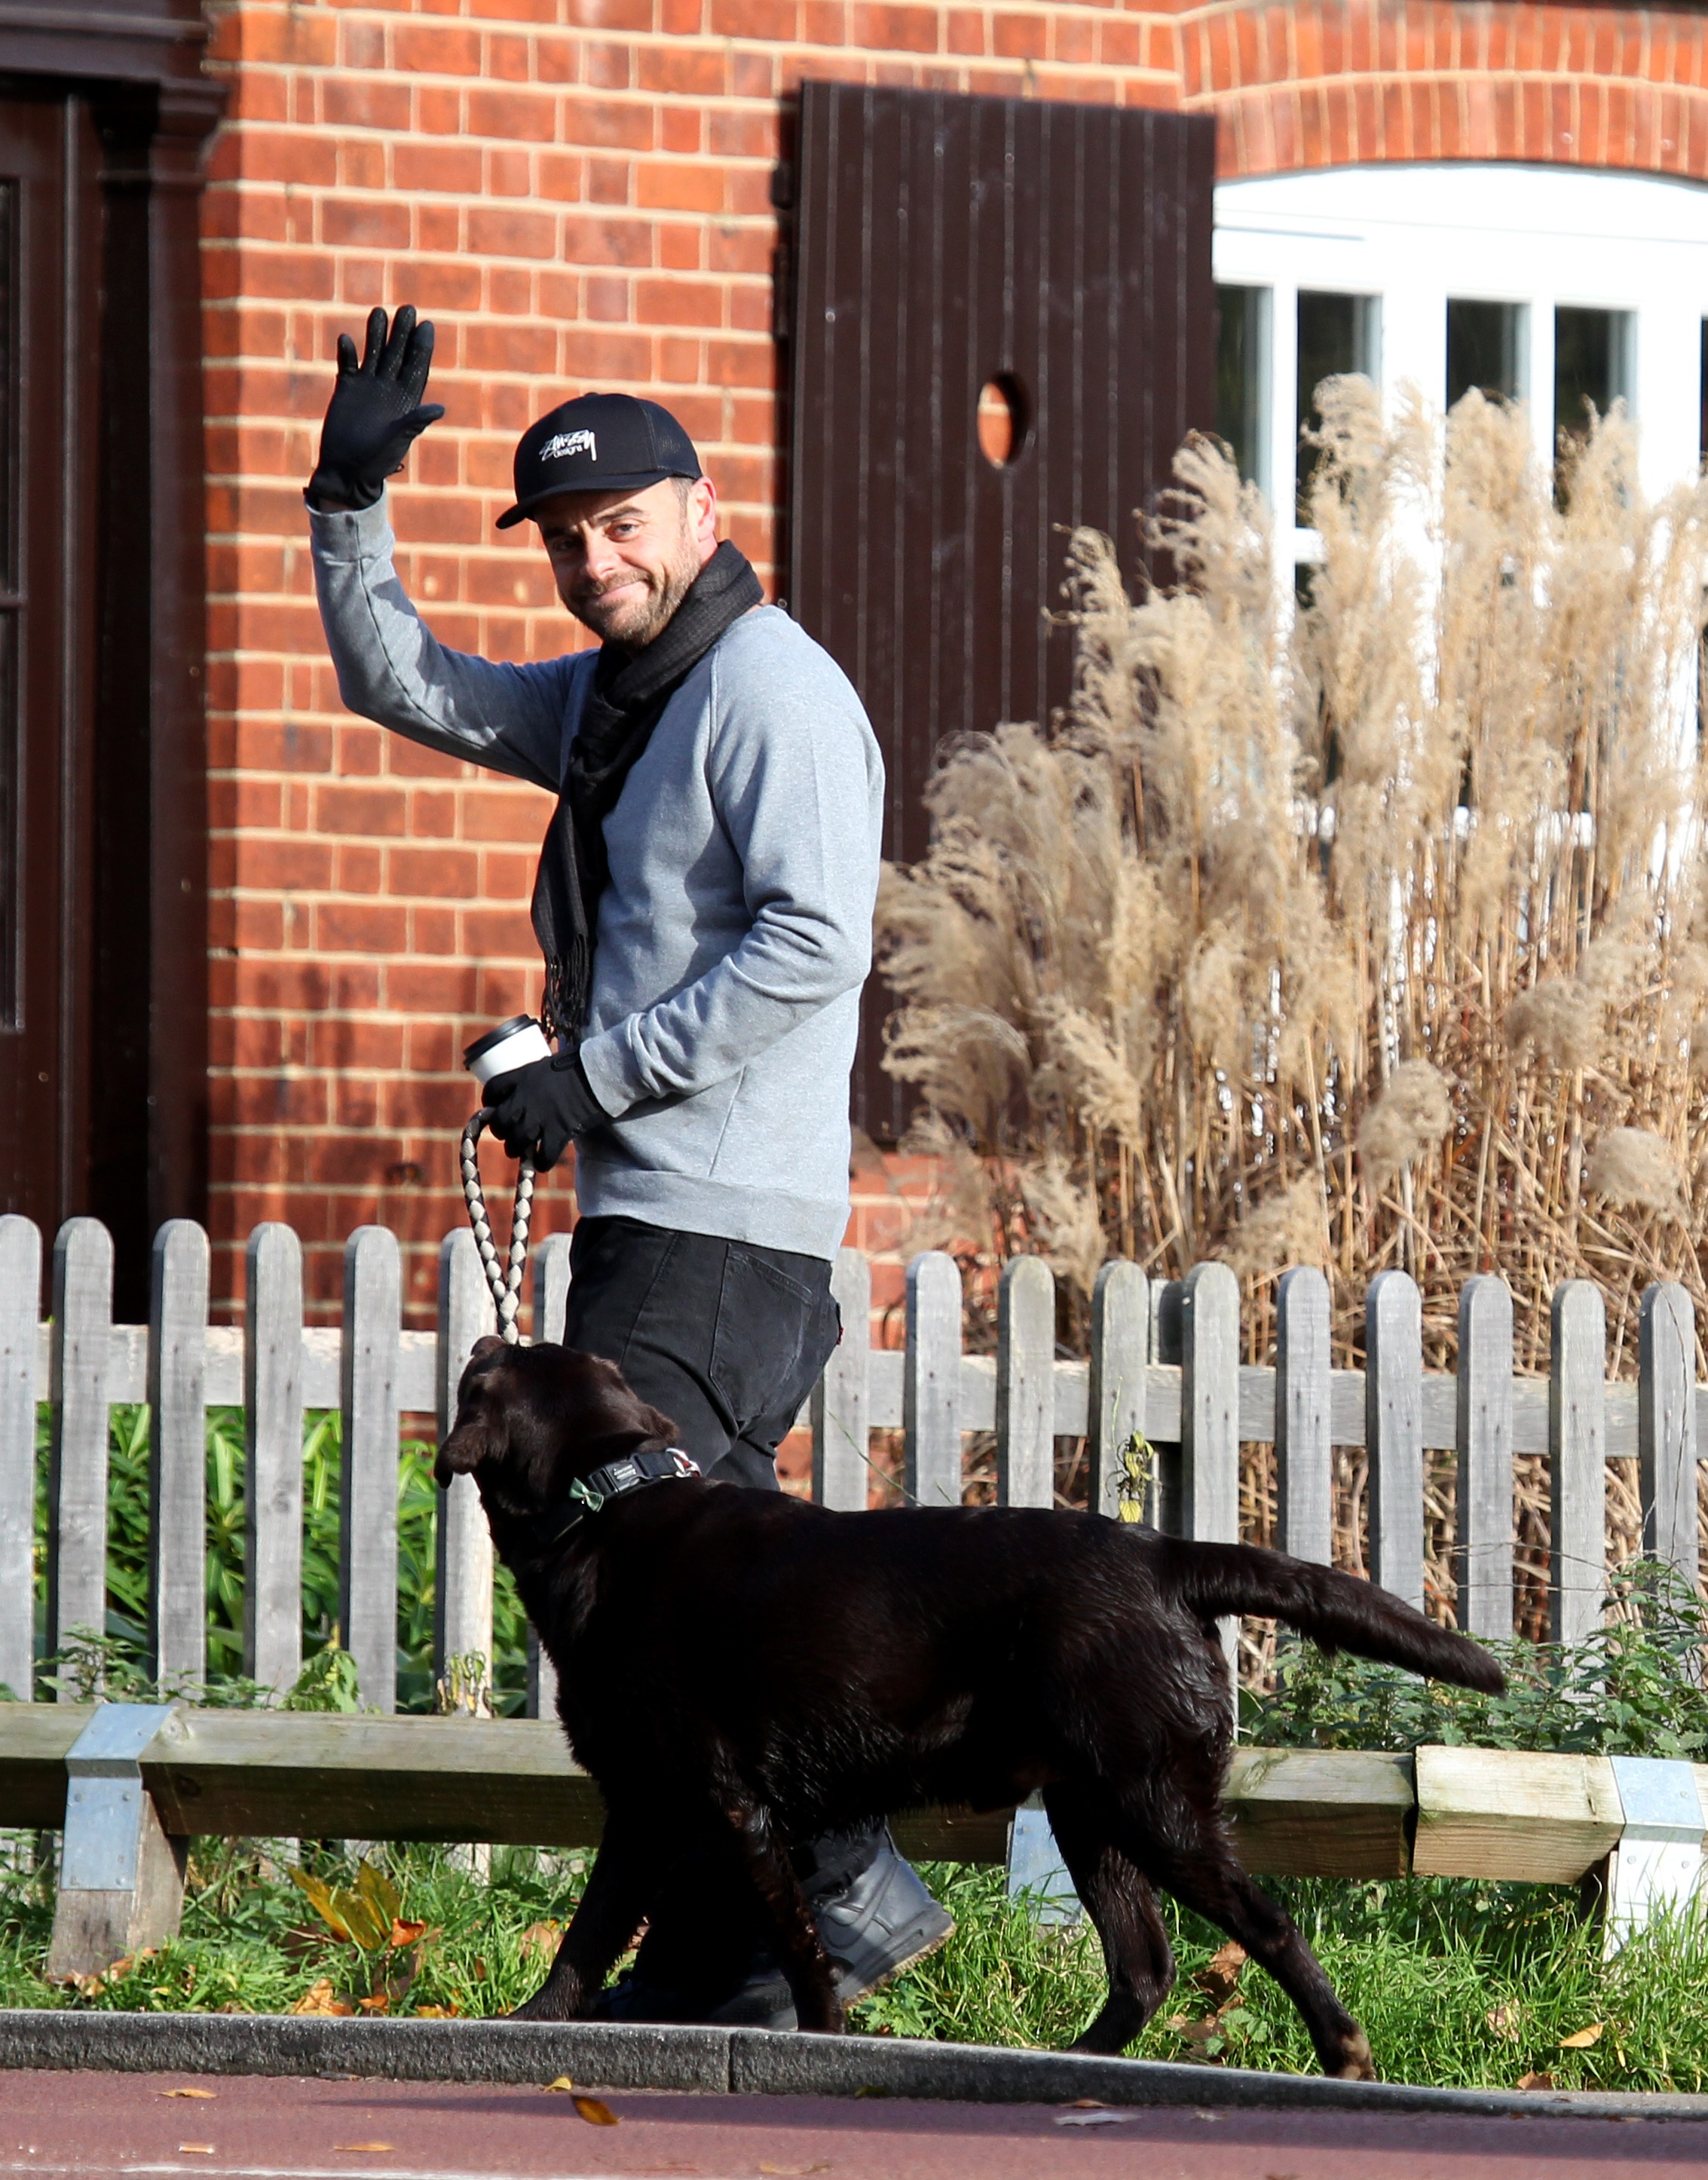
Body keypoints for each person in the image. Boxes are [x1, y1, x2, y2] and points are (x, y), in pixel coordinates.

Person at [304, 305, 951, 2024]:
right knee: (689, 1624)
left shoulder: (772, 693)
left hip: (725, 1237)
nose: (595, 563)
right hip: (648, 1219)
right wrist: (343, 505)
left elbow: (817, 947)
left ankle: (812, 1919)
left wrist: (593, 1077)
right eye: (567, 541)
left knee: (653, 1617)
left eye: (621, 527)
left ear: (699, 507)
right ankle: (756, 1938)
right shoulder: (608, 699)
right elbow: (403, 684)